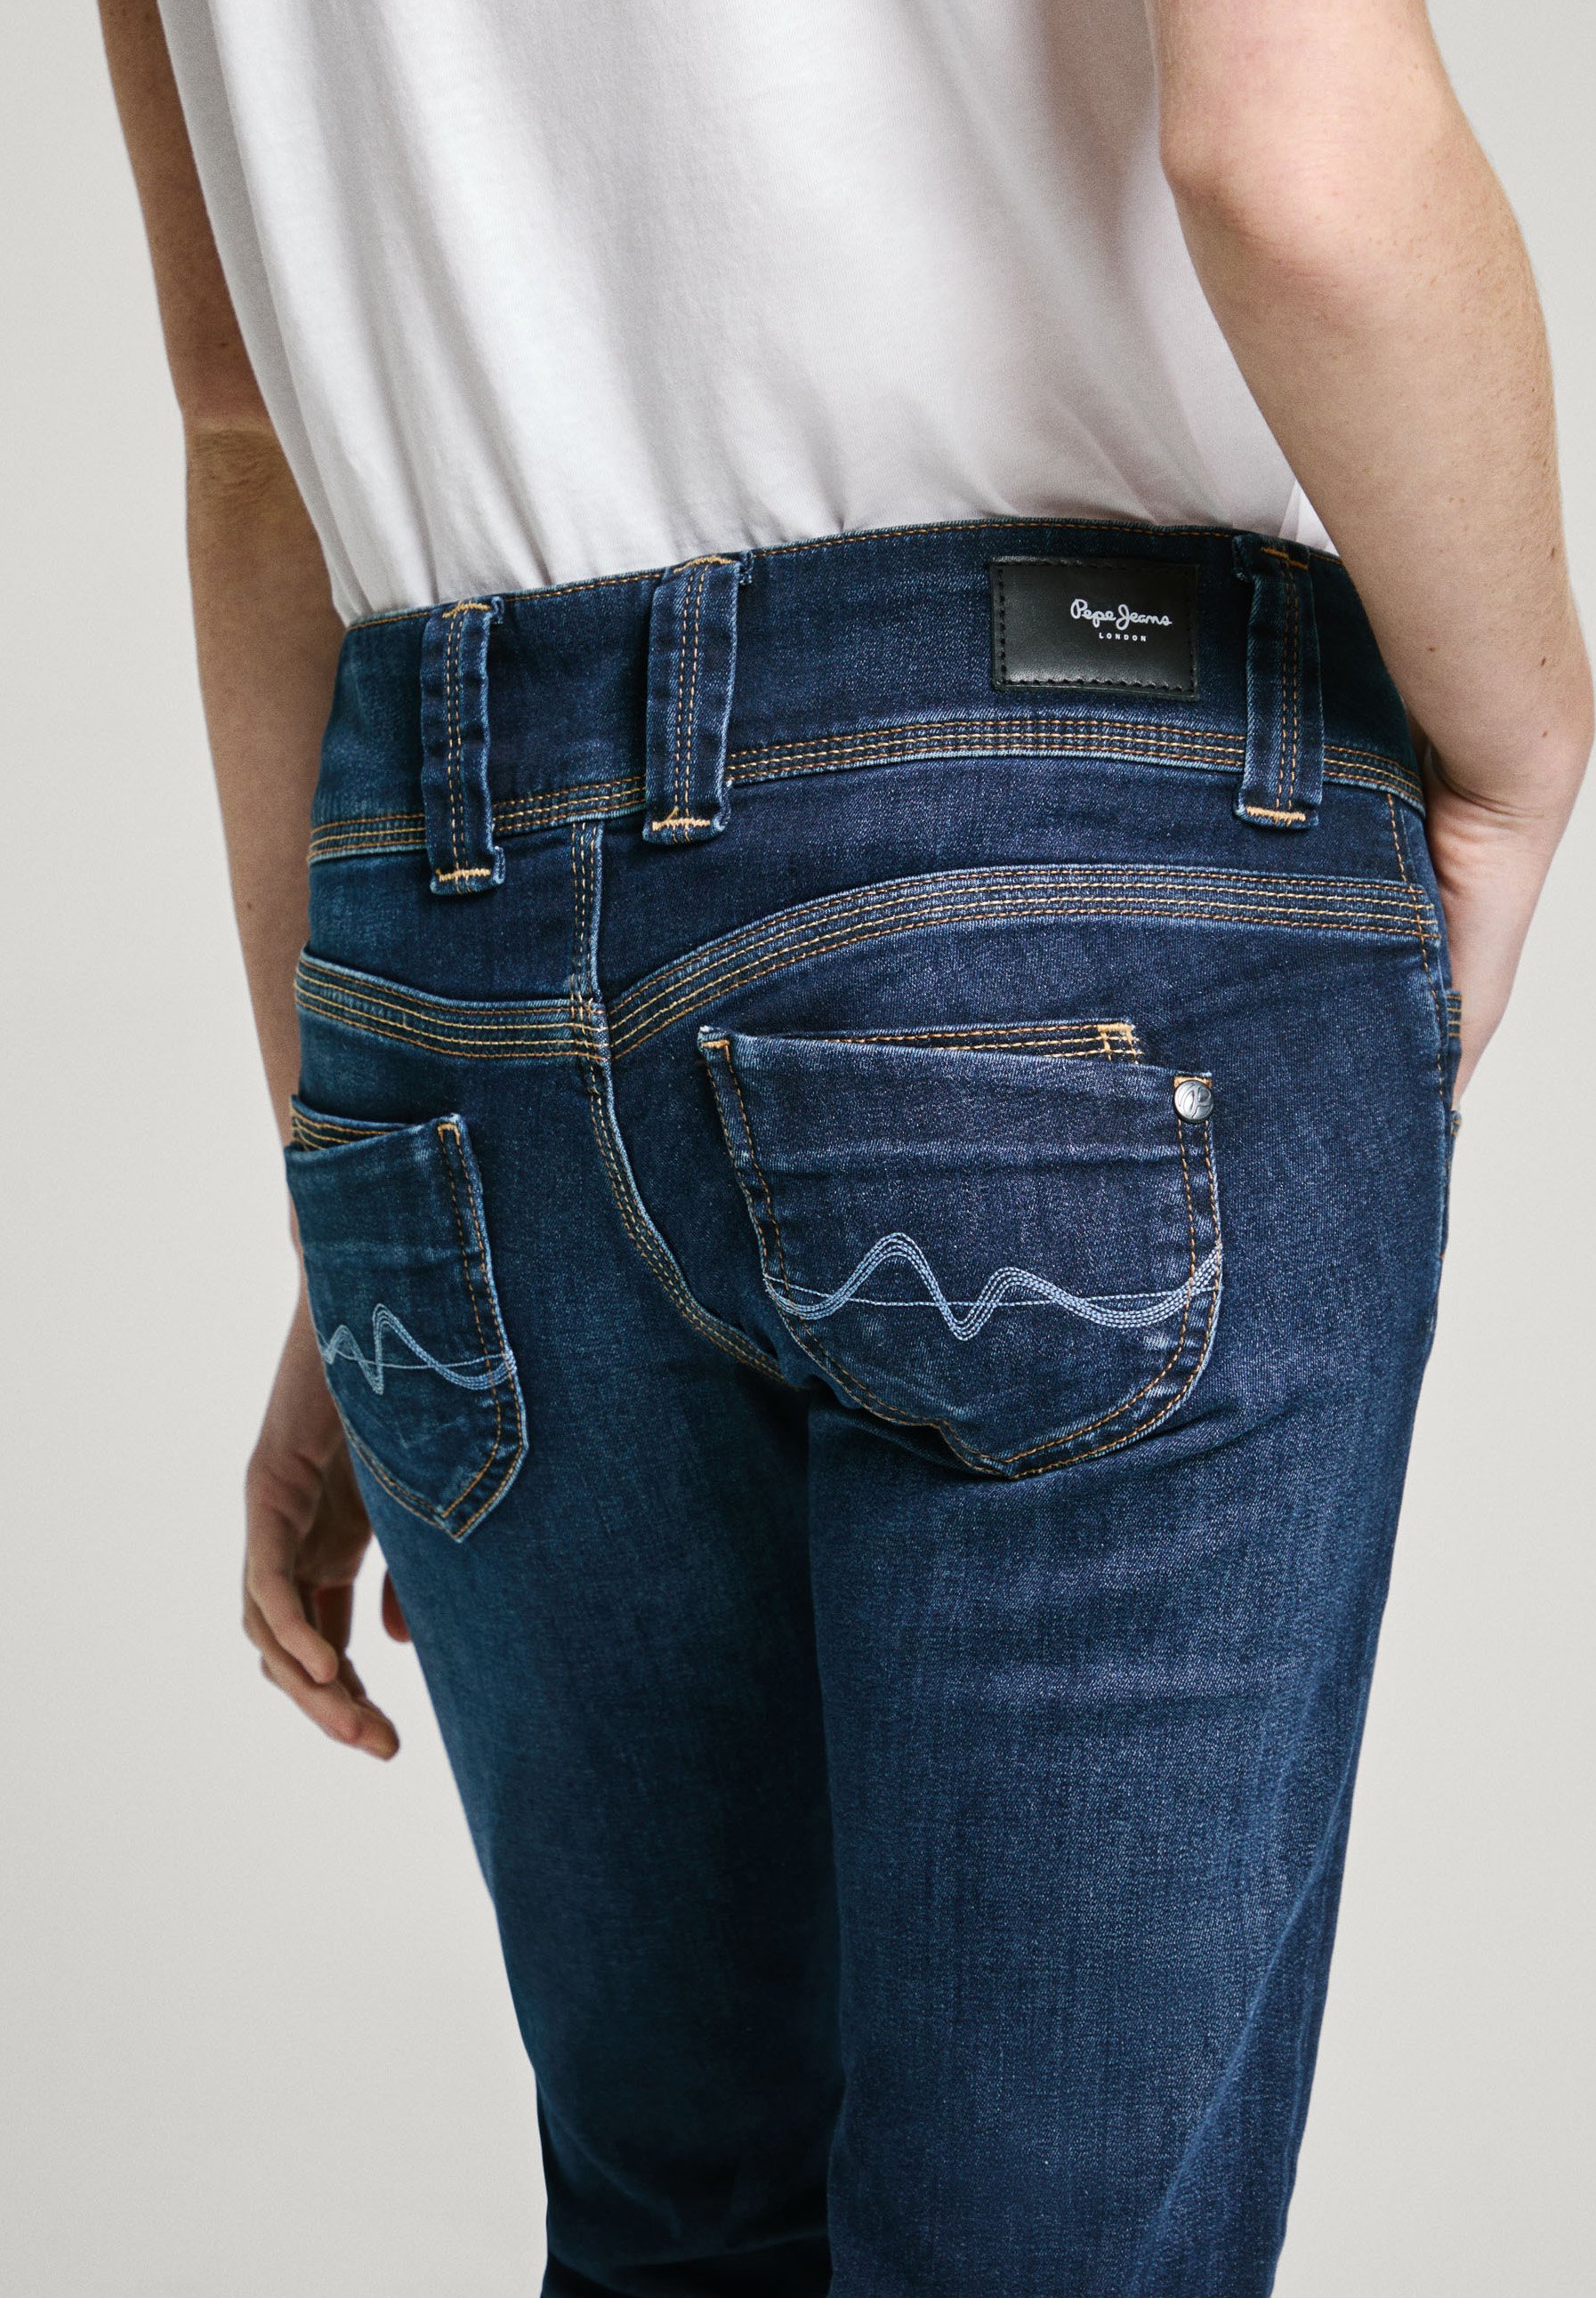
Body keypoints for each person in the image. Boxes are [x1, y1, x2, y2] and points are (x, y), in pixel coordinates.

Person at [101, 2, 1588, 2290]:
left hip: (447, 931)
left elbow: (242, 416)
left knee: (682, 2231)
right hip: (1064, 842)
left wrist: (365, 1169)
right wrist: (1525, 738)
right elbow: (1290, 153)